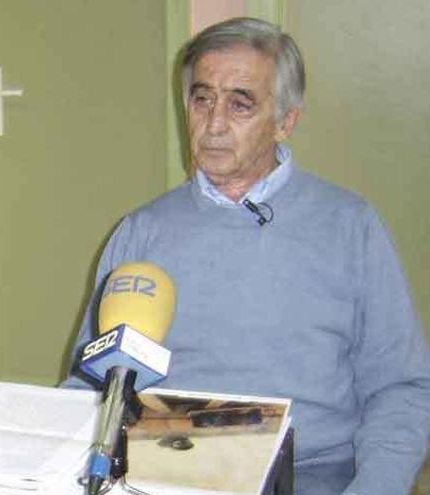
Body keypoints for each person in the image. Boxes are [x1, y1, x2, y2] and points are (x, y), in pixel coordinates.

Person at [64, 17, 430, 495]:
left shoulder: (350, 226)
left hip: (310, 474)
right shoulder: (143, 232)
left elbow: (400, 389)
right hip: (165, 471)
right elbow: (91, 384)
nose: (214, 124)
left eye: (240, 104)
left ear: (286, 121)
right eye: (202, 99)